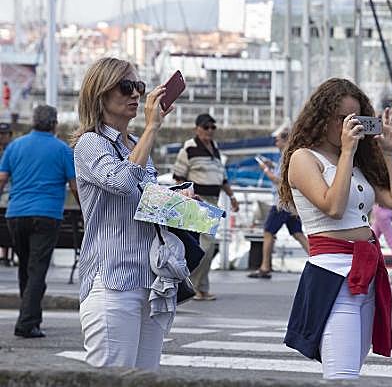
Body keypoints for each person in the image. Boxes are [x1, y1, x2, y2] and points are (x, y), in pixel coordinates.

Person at [281, 78, 392, 379]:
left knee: (351, 368)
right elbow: (333, 207)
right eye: (343, 118)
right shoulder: (304, 158)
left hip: (365, 274)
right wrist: (348, 153)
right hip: (332, 275)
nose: (350, 126)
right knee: (341, 375)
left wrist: (390, 153)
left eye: (356, 118)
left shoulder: (354, 162)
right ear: (322, 117)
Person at [73, 57, 176, 369]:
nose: (136, 94)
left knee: (146, 377)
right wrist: (152, 127)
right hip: (113, 279)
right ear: (101, 93)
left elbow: (146, 201)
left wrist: (177, 198)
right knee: (112, 377)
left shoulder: (135, 145)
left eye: (139, 87)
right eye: (126, 87)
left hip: (151, 279)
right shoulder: (90, 143)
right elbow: (119, 181)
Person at [0, 105, 78, 338]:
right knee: (37, 269)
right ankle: (26, 323)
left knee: (26, 266)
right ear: (54, 124)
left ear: (33, 122)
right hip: (46, 215)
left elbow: (2, 180)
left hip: (16, 215)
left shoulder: (14, 147)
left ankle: (32, 316)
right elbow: (75, 187)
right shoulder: (62, 150)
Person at [173, 113, 239, 300]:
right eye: (205, 127)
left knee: (207, 247)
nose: (209, 130)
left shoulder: (214, 148)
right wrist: (186, 199)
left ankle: (200, 287)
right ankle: (194, 286)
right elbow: (179, 177)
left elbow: (222, 176)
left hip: (213, 200)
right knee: (204, 245)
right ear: (197, 128)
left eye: (212, 127)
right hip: (197, 201)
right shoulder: (189, 148)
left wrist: (232, 196)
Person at [248, 127, 308, 279]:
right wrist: (272, 166)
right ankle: (317, 258)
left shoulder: (286, 157)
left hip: (281, 203)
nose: (275, 142)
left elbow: (279, 180)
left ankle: (265, 267)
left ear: (285, 140)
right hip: (291, 203)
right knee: (297, 233)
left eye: (278, 139)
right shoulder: (290, 156)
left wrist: (265, 170)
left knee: (268, 232)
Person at [0, 122, 14, 266]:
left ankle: (6, 254)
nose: (1, 137)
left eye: (4, 134)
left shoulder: (13, 150)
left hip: (10, 193)